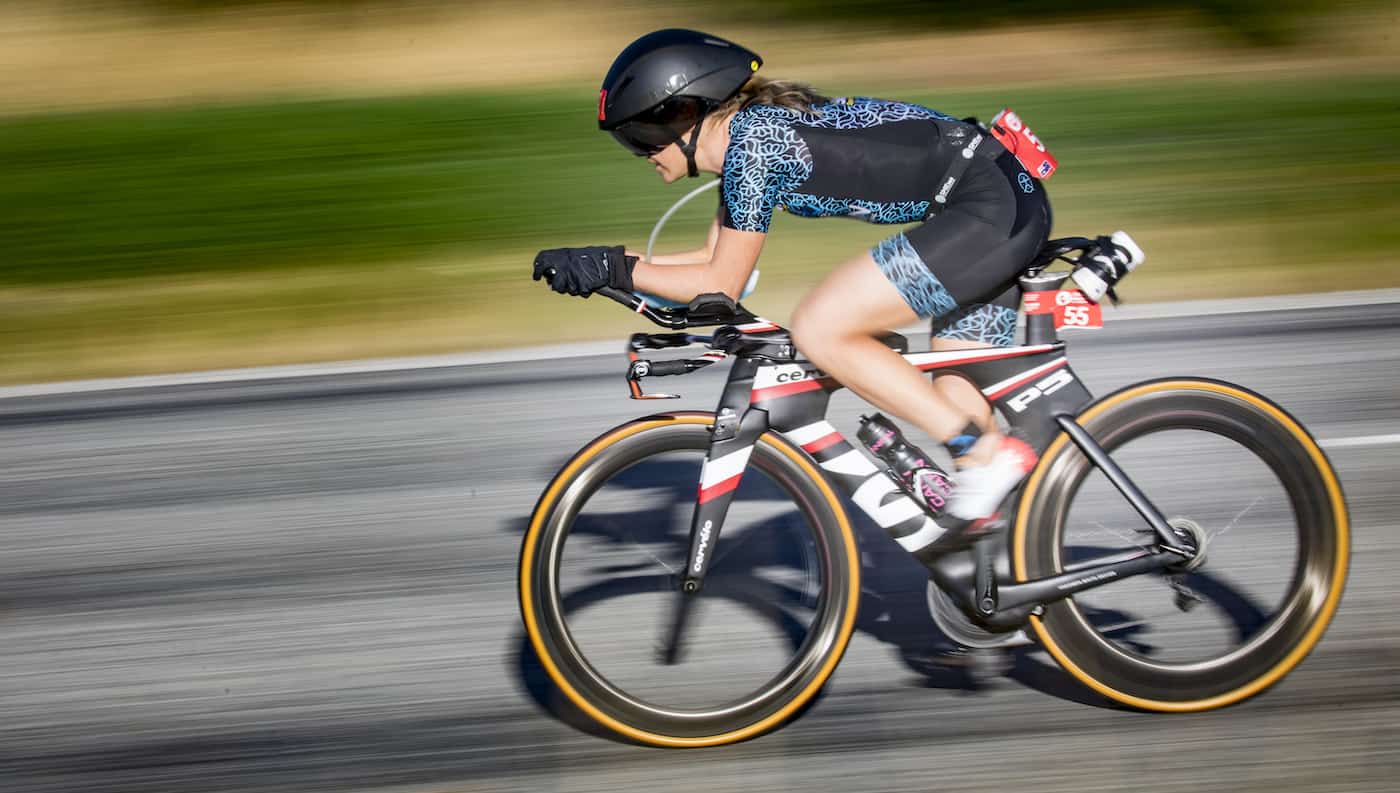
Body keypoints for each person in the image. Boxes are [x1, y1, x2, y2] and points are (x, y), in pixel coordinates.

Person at [532, 28, 1050, 535]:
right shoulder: (750, 141)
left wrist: (613, 269)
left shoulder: (754, 148)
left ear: (686, 113)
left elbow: (721, 284)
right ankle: (997, 570)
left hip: (989, 208)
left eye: (640, 134)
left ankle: (981, 453)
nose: (640, 152)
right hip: (997, 198)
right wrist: (605, 262)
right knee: (960, 419)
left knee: (822, 328)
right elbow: (713, 261)